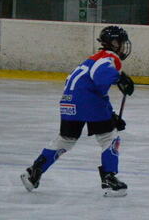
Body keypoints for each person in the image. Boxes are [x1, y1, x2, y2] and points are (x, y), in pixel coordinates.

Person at [20, 26, 135, 197]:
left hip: (68, 101)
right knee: (108, 137)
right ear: (114, 43)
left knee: (66, 139)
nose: (123, 46)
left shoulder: (91, 59)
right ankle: (109, 180)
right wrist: (119, 78)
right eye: (121, 42)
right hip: (87, 101)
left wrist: (110, 114)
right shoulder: (109, 57)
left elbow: (94, 88)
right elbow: (100, 77)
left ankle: (33, 172)